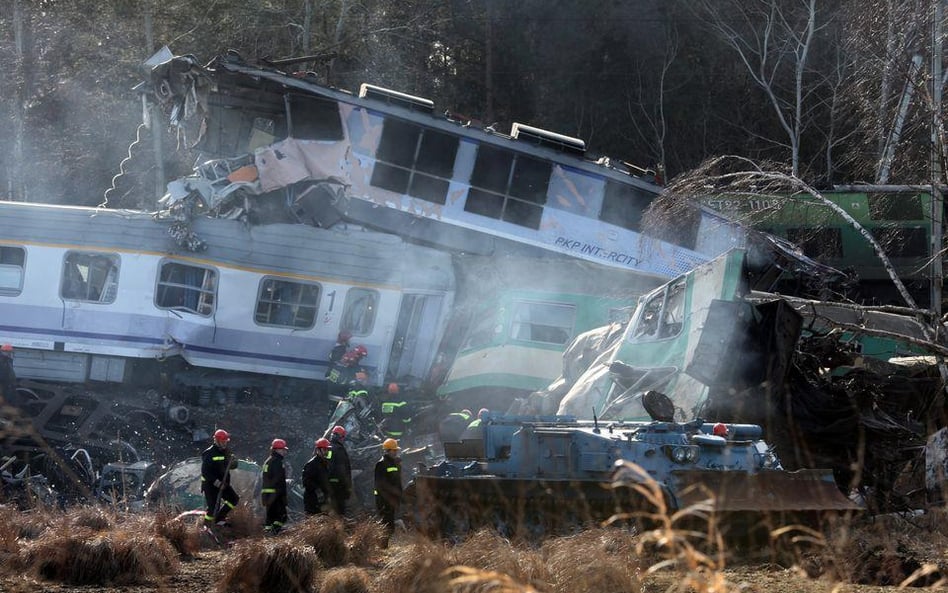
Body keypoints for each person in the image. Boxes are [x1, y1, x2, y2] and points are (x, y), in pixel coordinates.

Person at [201, 429, 239, 527]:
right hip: (210, 485)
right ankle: (207, 525)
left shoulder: (226, 451)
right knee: (213, 507)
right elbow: (206, 473)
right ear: (217, 441)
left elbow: (233, 466)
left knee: (234, 499)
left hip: (224, 483)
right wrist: (217, 483)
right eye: (223, 441)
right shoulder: (209, 453)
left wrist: (234, 462)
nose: (225, 443)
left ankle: (219, 519)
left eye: (226, 441)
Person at [374, 438, 403, 545]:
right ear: (388, 451)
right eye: (394, 450)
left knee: (390, 525)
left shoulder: (394, 463)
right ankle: (381, 545)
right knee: (386, 524)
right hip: (384, 500)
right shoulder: (381, 464)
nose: (396, 452)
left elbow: (397, 481)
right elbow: (380, 485)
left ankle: (383, 545)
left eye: (396, 450)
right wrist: (385, 500)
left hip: (392, 499)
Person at [261, 438, 289, 534]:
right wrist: (283, 496)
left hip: (267, 494)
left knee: (270, 517)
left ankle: (268, 534)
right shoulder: (277, 462)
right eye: (283, 449)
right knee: (282, 516)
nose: (284, 452)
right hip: (276, 494)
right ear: (277, 450)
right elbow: (279, 480)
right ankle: (274, 533)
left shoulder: (268, 461)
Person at [325, 425, 352, 517]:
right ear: (341, 436)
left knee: (338, 506)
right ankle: (339, 523)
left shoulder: (331, 448)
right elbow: (332, 466)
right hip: (337, 484)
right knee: (339, 507)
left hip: (336, 483)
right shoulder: (336, 448)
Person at [302, 438, 332, 515]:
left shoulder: (325, 463)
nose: (326, 451)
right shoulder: (311, 464)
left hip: (323, 500)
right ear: (318, 450)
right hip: (313, 501)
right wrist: (318, 490)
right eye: (324, 449)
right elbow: (306, 482)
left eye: (328, 449)